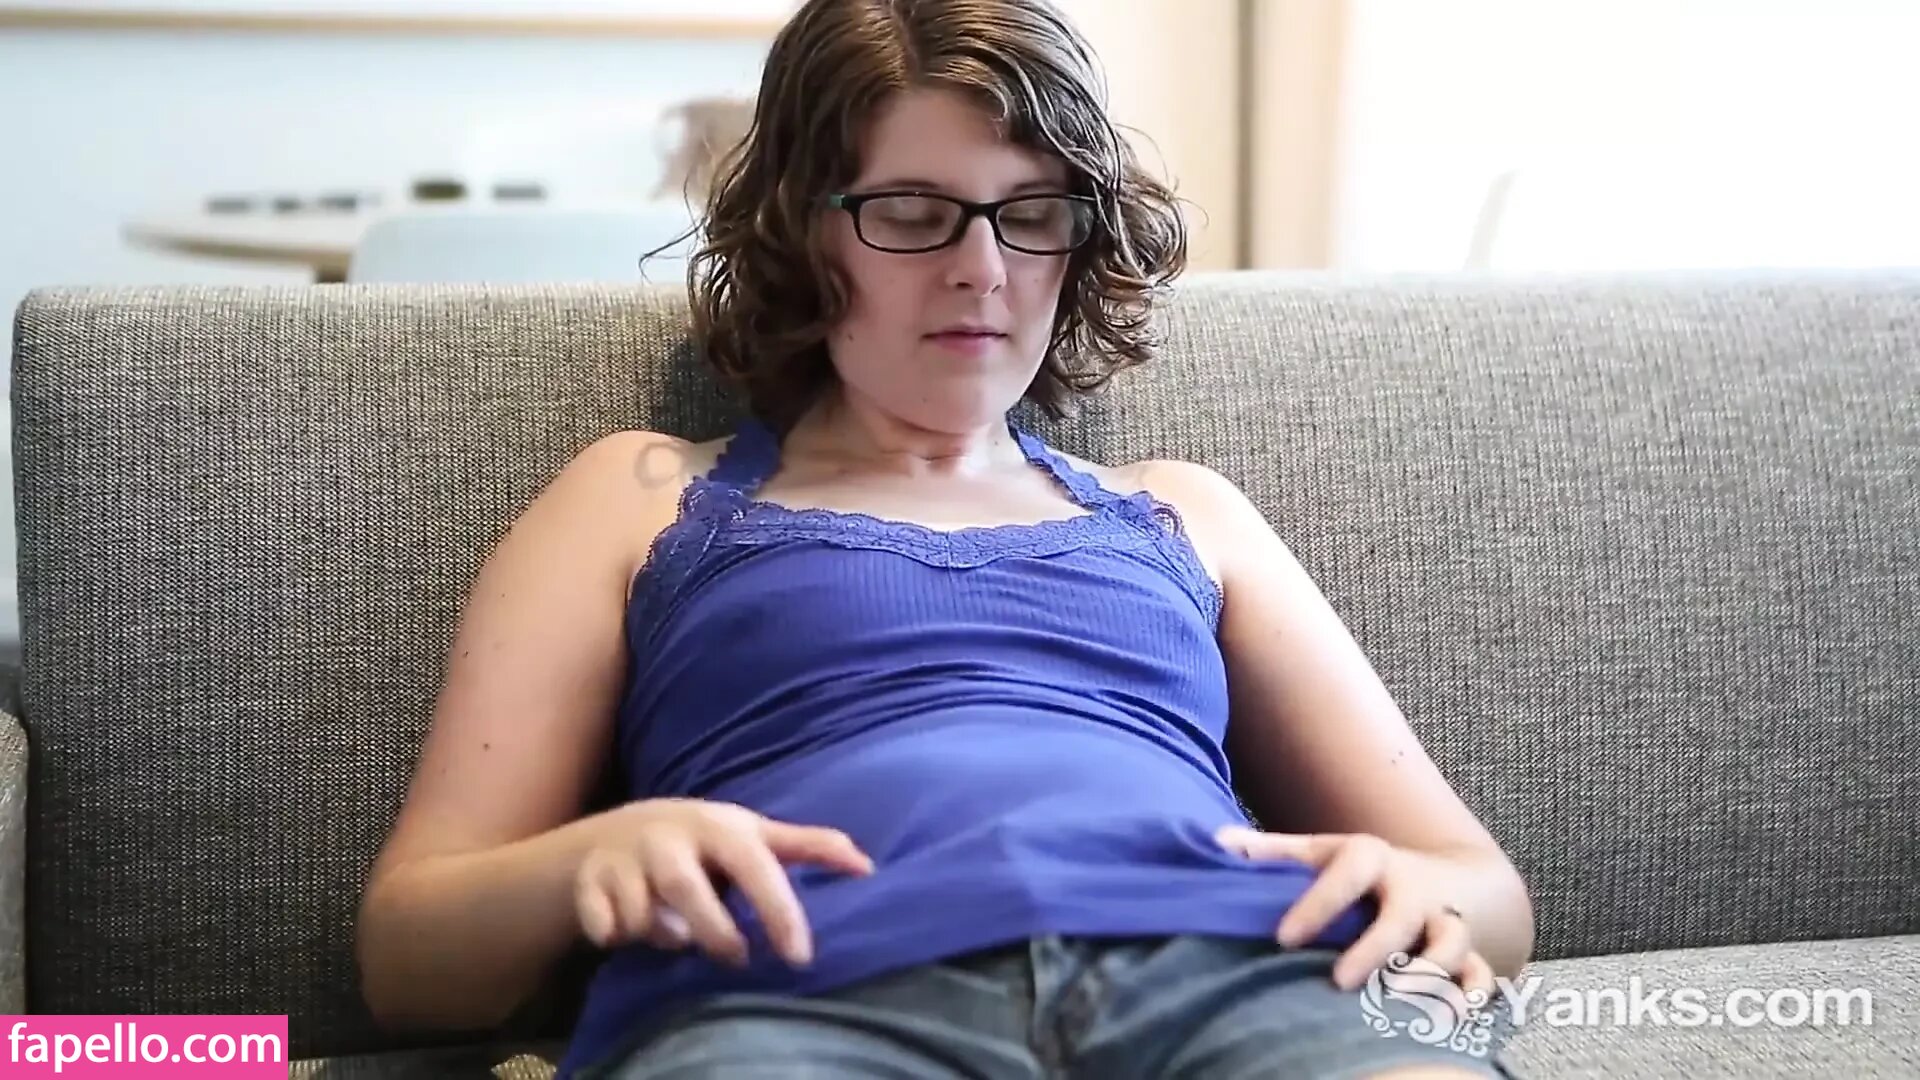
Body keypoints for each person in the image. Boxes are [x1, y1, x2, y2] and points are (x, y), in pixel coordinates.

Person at [354, 0, 1535, 1077]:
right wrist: (592, 861)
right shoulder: (642, 496)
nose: (982, 270)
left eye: (1031, 216)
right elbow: (408, 961)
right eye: (914, 216)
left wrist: (1412, 890)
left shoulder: (1186, 513)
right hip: (800, 999)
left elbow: (1484, 890)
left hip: (1239, 978)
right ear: (803, 234)